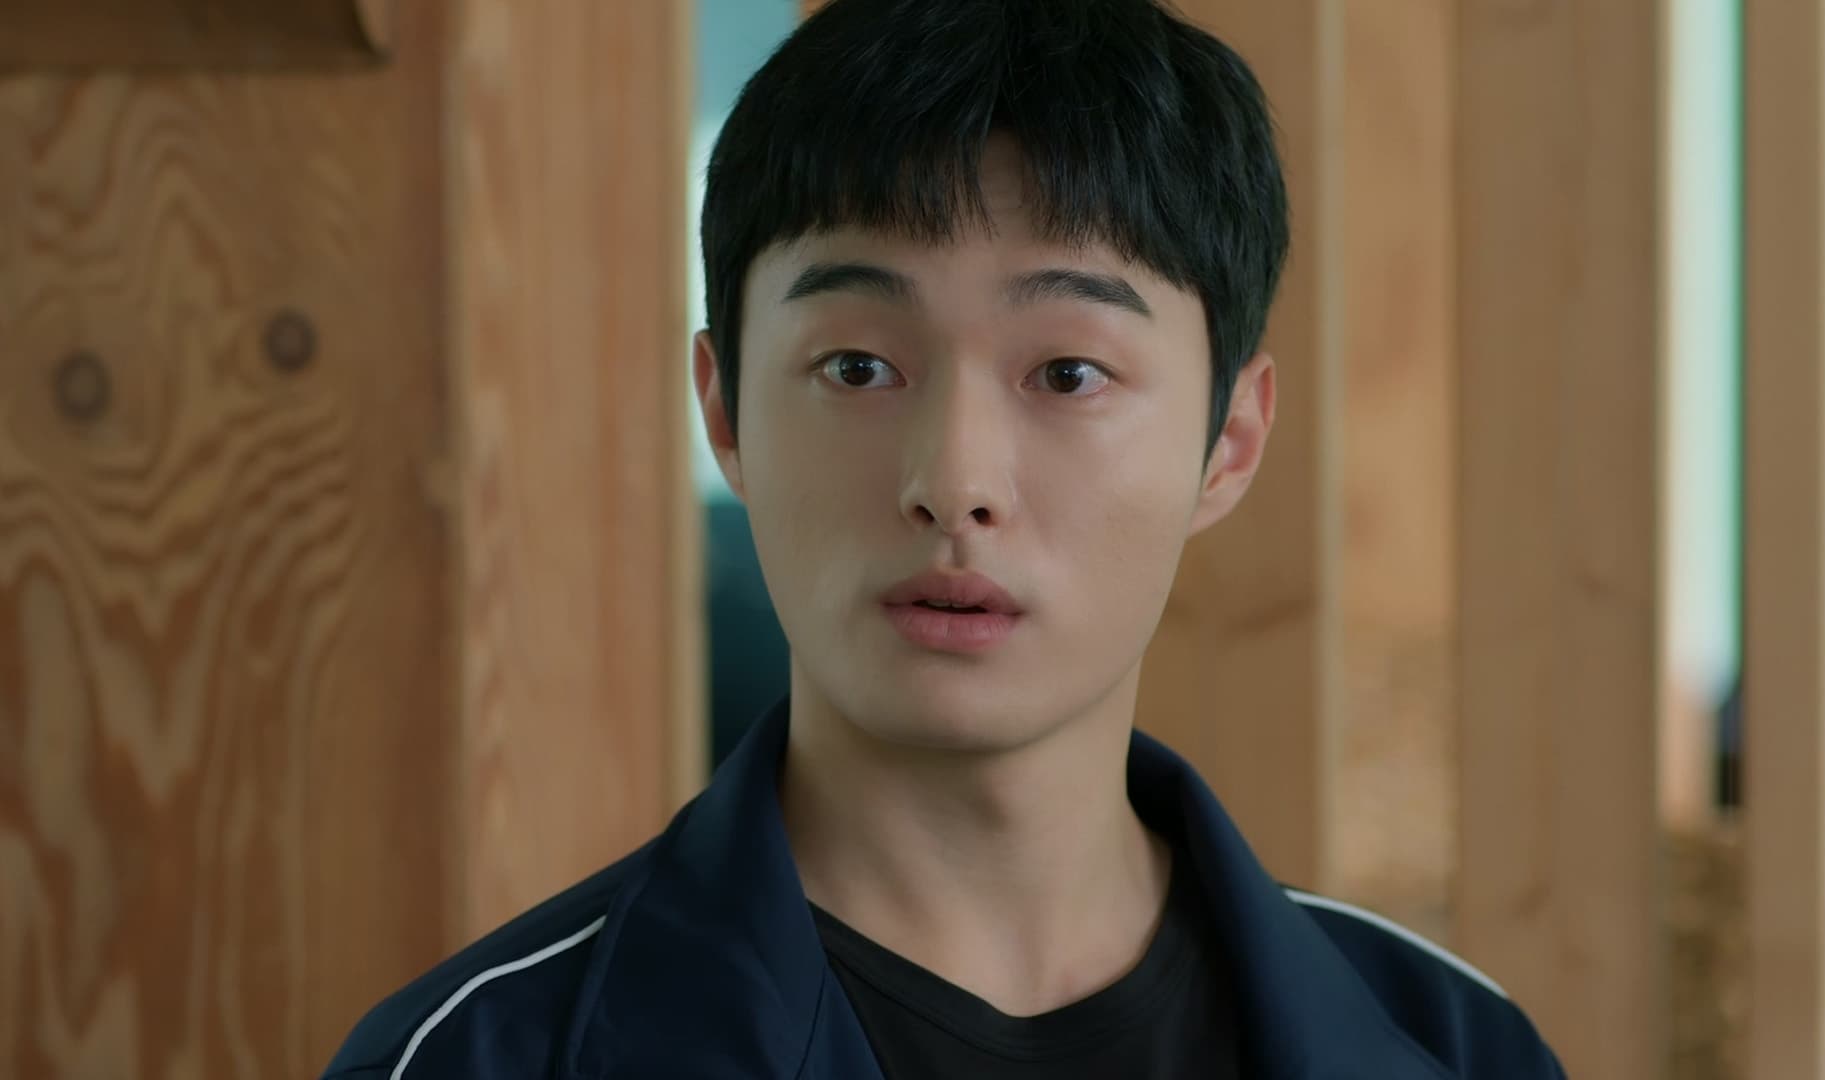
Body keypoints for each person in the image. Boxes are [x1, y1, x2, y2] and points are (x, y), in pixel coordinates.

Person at [322, 0, 1567, 1076]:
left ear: (1229, 441)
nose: (954, 483)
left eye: (1068, 373)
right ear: (726, 411)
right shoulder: (477, 1056)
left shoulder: (1456, 1049)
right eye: (858, 367)